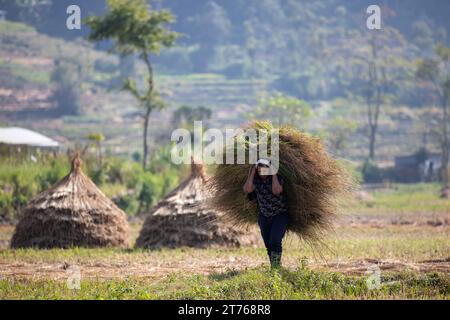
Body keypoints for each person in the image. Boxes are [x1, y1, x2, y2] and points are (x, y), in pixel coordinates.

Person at [243, 159, 289, 269]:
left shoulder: (277, 178)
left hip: (280, 215)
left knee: (275, 240)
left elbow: (277, 190)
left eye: (264, 169)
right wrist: (252, 172)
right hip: (264, 216)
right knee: (268, 243)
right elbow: (247, 189)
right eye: (259, 169)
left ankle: (276, 267)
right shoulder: (255, 180)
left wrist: (273, 174)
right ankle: (274, 266)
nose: (261, 172)